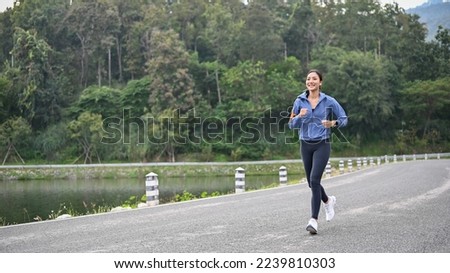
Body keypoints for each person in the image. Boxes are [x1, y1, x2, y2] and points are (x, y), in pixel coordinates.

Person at [288, 69, 348, 234]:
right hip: (305, 144)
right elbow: (291, 124)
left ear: (320, 82)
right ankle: (328, 201)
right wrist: (299, 116)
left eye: (314, 79)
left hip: (322, 144)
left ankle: (313, 220)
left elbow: (344, 119)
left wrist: (332, 123)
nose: (311, 81)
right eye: (308, 79)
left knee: (315, 180)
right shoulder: (299, 101)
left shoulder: (329, 101)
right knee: (311, 182)